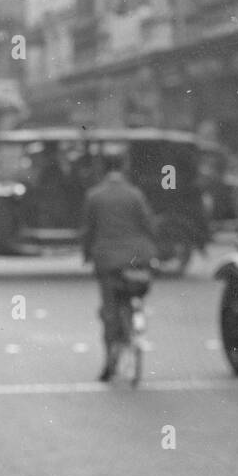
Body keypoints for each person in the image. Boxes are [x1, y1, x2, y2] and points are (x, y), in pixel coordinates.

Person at [81, 151, 158, 380]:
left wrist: (86, 254)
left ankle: (109, 363)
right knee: (135, 293)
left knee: (109, 311)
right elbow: (148, 223)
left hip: (107, 261)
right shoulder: (135, 194)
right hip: (137, 258)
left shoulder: (94, 196)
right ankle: (135, 320)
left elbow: (88, 230)